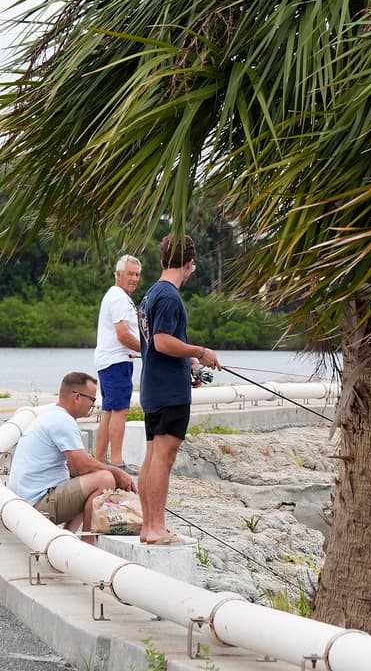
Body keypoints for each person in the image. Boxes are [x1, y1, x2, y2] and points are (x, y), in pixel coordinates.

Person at [137, 233, 221, 544]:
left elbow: (157, 345)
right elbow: (161, 341)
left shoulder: (150, 295)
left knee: (151, 456)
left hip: (153, 389)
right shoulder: (170, 297)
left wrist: (190, 366)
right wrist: (200, 352)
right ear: (188, 265)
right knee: (163, 458)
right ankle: (156, 528)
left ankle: (148, 527)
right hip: (169, 393)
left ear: (162, 260)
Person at [8, 371, 137, 533]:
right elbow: (82, 466)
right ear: (76, 397)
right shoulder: (63, 421)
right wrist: (117, 472)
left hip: (24, 503)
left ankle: (68, 535)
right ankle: (88, 541)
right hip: (37, 505)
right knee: (104, 479)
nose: (93, 404)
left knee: (94, 477)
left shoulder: (51, 416)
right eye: (92, 399)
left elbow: (76, 469)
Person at [94, 254, 142, 471]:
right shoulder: (119, 298)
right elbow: (123, 334)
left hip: (111, 360)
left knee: (110, 410)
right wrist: (148, 351)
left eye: (137, 275)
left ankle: (99, 459)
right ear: (118, 275)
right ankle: (117, 461)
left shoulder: (119, 296)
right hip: (116, 361)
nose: (134, 278)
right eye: (130, 274)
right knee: (120, 410)